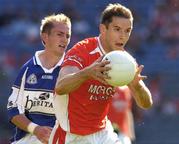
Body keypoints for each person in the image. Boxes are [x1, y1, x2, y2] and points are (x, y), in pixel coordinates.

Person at [50, 3, 153, 144]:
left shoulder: (125, 61)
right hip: (70, 135)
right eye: (117, 29)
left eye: (127, 31)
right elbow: (60, 87)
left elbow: (146, 104)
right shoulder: (82, 50)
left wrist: (137, 86)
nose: (123, 36)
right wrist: (87, 73)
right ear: (103, 29)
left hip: (102, 133)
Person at [7, 13, 71, 144]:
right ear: (45, 36)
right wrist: (36, 129)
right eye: (59, 34)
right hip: (27, 138)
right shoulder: (27, 69)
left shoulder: (72, 70)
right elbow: (13, 110)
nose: (65, 40)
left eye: (67, 36)